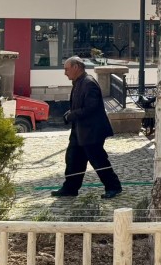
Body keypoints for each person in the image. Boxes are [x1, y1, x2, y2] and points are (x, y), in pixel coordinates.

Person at [52, 56, 122, 198]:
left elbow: (90, 108)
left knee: (99, 161)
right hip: (79, 131)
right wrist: (70, 113)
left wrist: (71, 115)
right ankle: (70, 188)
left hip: (92, 132)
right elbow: (80, 105)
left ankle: (113, 187)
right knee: (73, 160)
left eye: (67, 69)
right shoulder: (79, 82)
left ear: (76, 67)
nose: (65, 73)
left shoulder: (88, 83)